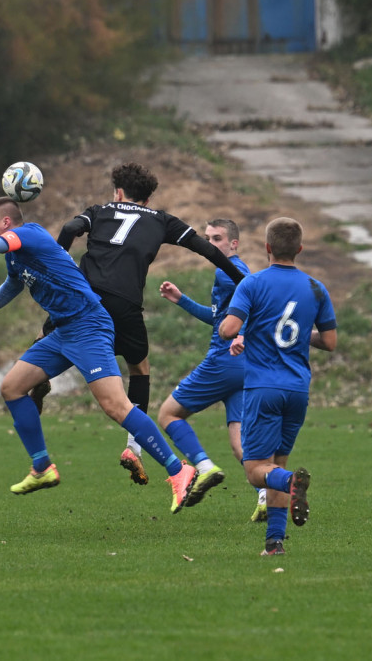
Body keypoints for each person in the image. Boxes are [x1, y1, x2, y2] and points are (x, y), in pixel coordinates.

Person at [0, 196, 198, 514]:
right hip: (63, 332)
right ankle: (42, 467)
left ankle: (178, 470)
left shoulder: (29, 234)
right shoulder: (16, 254)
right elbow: (13, 284)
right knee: (12, 388)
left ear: (6, 223)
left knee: (116, 406)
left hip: (89, 326)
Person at [53, 162, 246, 486]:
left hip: (83, 301)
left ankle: (38, 373)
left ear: (118, 192)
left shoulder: (99, 211)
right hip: (124, 304)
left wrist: (57, 268)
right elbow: (206, 250)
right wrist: (243, 279)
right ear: (146, 196)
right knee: (139, 369)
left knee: (58, 339)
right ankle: (133, 448)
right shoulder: (161, 220)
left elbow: (71, 228)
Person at [219, 217, 338, 556]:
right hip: (298, 390)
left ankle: (290, 484)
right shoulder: (316, 288)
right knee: (276, 464)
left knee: (257, 471)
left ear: (267, 247)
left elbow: (228, 329)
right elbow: (329, 341)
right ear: (299, 249)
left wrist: (237, 328)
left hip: (263, 389)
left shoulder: (252, 284)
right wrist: (301, 336)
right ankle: (274, 544)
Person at [157, 218, 266, 515]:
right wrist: (182, 300)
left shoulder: (231, 271)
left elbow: (257, 301)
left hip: (224, 361)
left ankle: (203, 466)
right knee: (238, 442)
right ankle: (265, 495)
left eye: (217, 238)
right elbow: (220, 318)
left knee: (168, 414)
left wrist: (243, 333)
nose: (210, 244)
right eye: (207, 239)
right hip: (244, 365)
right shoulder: (231, 272)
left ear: (234, 244)